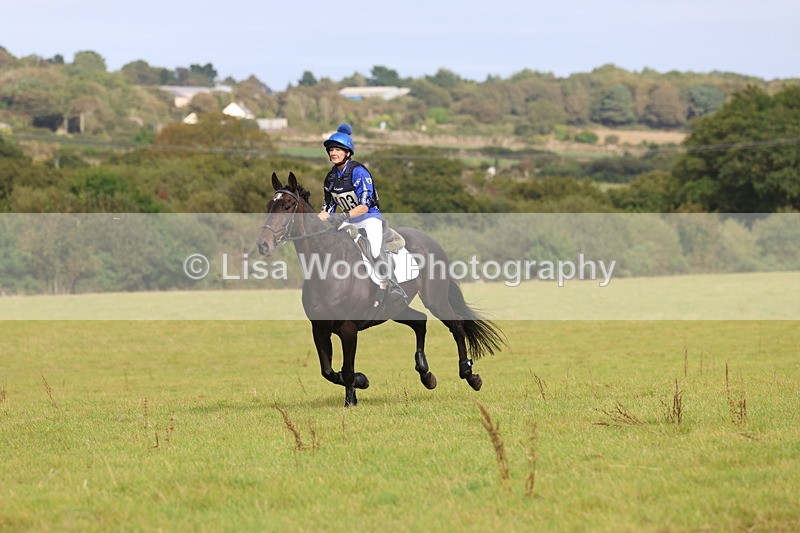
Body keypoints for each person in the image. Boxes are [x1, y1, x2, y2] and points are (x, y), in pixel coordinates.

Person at [318, 123, 408, 312]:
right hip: (348, 221)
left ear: (347, 153)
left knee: (374, 250)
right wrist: (312, 224)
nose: (333, 153)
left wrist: (342, 217)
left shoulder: (358, 171)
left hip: (369, 219)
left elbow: (364, 205)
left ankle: (394, 287)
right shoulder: (331, 178)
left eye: (337, 149)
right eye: (331, 150)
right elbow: (328, 208)